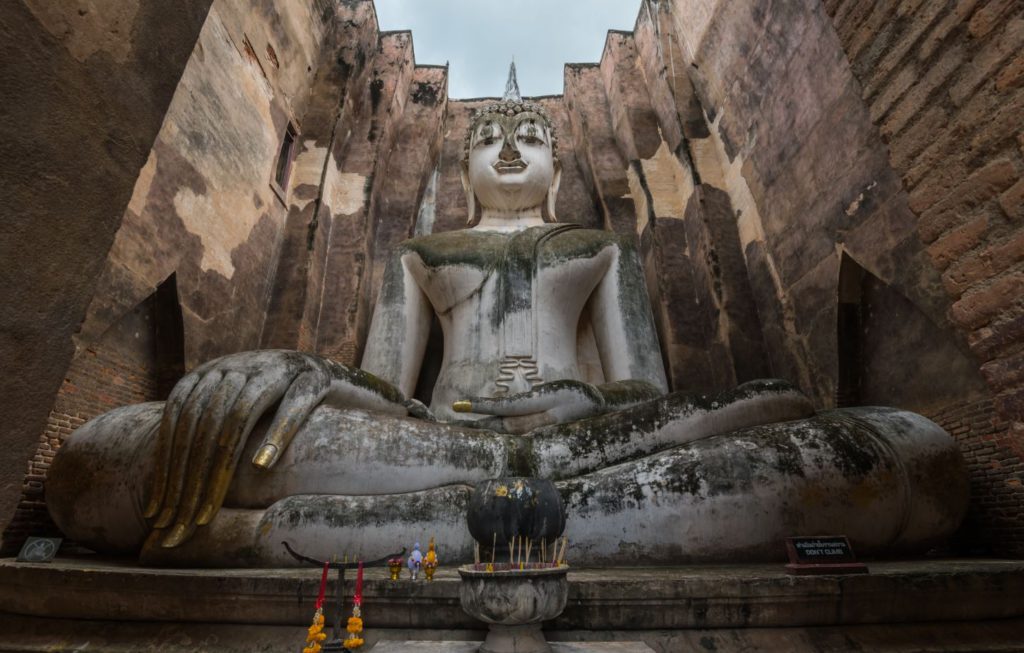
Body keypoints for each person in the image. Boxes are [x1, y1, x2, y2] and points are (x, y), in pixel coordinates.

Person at [47, 88, 967, 567]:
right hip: (435, 444)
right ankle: (524, 509)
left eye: (530, 133)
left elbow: (644, 391)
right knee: (117, 451)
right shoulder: (422, 250)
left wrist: (574, 400)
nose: (512, 144)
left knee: (887, 443)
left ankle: (316, 534)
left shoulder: (602, 248)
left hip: (599, 443)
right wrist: (302, 371)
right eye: (492, 135)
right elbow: (383, 386)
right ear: (465, 164)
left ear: (559, 164)